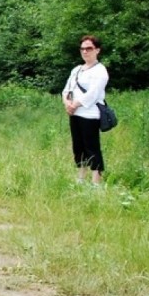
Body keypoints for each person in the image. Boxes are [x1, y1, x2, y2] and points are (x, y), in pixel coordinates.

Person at [61, 34, 109, 186]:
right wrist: (67, 103)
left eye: (89, 48)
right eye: (82, 49)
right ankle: (81, 178)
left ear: (97, 50)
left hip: (90, 115)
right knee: (78, 147)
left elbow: (93, 94)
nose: (85, 52)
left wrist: (75, 104)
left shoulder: (100, 71)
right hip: (75, 114)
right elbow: (67, 89)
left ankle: (96, 182)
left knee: (92, 147)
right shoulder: (76, 70)